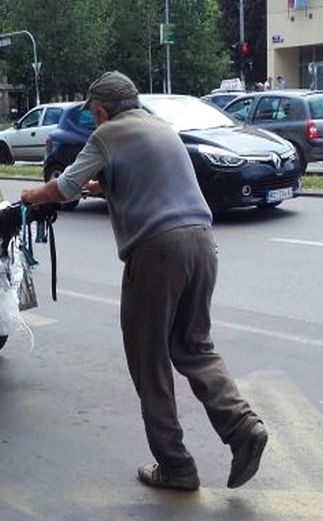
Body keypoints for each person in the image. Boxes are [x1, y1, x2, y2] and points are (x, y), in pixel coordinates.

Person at [20, 71, 268, 491]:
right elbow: (145, 181)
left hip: (157, 252)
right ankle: (245, 428)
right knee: (195, 347)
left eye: (94, 115)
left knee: (149, 360)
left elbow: (65, 186)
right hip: (203, 244)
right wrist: (103, 188)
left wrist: (34, 196)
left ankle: (176, 466)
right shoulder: (160, 127)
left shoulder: (108, 134)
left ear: (101, 110)